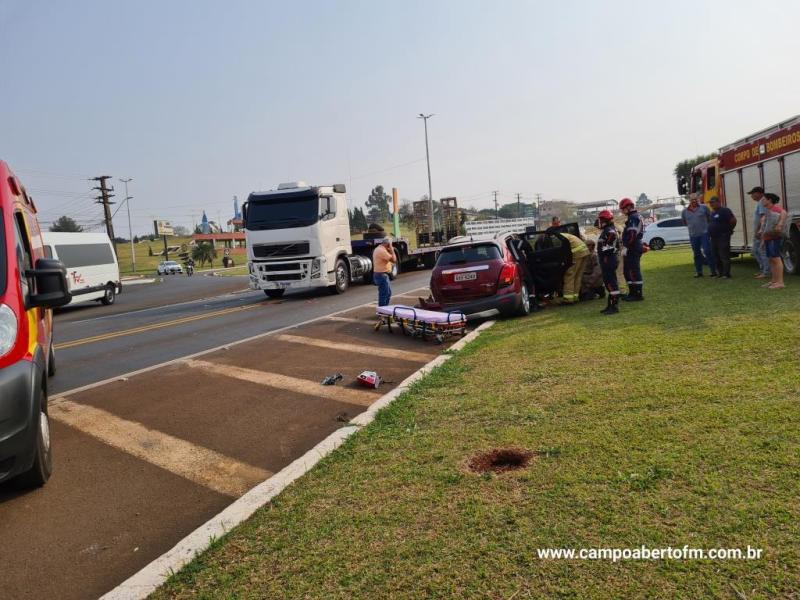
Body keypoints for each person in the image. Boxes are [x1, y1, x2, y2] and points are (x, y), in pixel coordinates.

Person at [681, 194, 715, 277]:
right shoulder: (684, 211)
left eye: (695, 199)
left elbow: (710, 218)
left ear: (698, 199)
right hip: (693, 235)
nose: (694, 201)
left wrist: (708, 228)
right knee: (696, 254)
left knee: (707, 251)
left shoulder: (704, 207)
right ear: (689, 200)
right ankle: (699, 272)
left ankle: (713, 271)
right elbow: (684, 222)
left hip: (704, 233)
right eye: (692, 199)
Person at [619, 198, 645, 301]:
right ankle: (632, 292)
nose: (622, 211)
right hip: (634, 246)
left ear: (628, 207)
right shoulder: (634, 216)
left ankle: (637, 294)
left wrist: (626, 246)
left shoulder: (633, 217)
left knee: (633, 271)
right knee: (628, 271)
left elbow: (632, 235)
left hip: (633, 247)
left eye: (622, 209)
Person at [760, 193, 787, 290]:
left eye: (764, 199)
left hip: (774, 237)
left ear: (769, 200)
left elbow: (784, 212)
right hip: (768, 238)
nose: (762, 201)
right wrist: (763, 240)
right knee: (771, 260)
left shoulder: (775, 208)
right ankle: (774, 281)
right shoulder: (768, 210)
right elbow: (766, 226)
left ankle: (780, 282)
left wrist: (780, 224)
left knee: (776, 259)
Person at [596, 210, 621, 314]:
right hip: (608, 259)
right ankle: (610, 304)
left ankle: (614, 306)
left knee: (611, 283)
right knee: (608, 283)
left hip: (609, 259)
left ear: (604, 220)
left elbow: (609, 246)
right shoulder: (607, 229)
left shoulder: (609, 231)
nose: (599, 222)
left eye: (600, 220)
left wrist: (602, 253)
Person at [707, 196, 736, 279]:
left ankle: (726, 274)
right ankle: (720, 273)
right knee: (716, 256)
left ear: (718, 202)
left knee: (724, 255)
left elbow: (733, 221)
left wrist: (729, 230)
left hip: (723, 236)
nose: (711, 204)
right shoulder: (712, 212)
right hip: (713, 238)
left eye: (712, 202)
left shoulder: (725, 210)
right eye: (710, 203)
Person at [560, 232, 590, 303]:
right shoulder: (565, 235)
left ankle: (568, 299)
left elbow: (562, 250)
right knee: (578, 276)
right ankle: (575, 297)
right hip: (585, 252)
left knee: (569, 276)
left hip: (577, 253)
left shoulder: (558, 238)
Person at [748, 186, 770, 279]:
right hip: (760, 231)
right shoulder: (760, 202)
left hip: (761, 231)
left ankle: (766, 272)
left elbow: (763, 217)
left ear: (759, 193)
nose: (751, 196)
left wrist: (759, 231)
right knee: (756, 251)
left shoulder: (762, 202)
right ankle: (763, 270)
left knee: (761, 251)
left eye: (753, 193)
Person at [372, 237, 396, 306]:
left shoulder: (379, 249)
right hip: (382, 275)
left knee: (387, 293)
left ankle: (385, 309)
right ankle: (382, 310)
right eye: (391, 244)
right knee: (384, 294)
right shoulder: (382, 251)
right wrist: (392, 250)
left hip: (380, 275)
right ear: (388, 244)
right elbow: (394, 260)